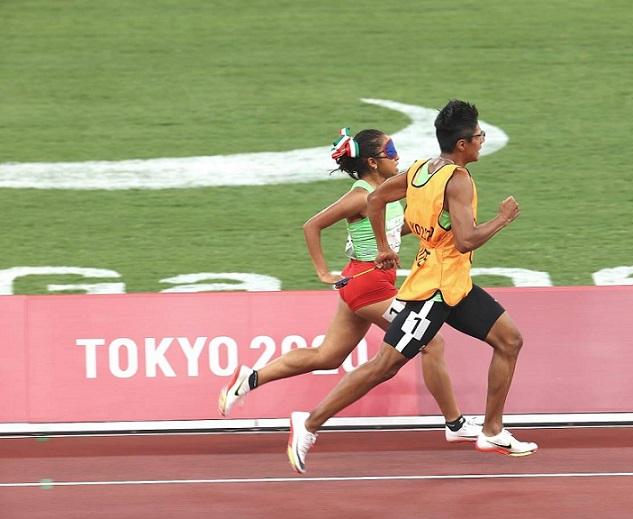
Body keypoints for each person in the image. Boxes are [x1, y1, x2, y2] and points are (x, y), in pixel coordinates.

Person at [288, 100, 537, 474]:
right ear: (463, 145)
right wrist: (502, 219)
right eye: (479, 136)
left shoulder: (421, 168)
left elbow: (375, 200)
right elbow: (467, 240)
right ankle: (308, 424)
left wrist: (386, 248)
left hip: (455, 285)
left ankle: (492, 430)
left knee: (509, 340)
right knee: (384, 366)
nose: (482, 141)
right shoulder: (458, 180)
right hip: (432, 292)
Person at [217, 127, 481, 446]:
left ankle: (251, 378)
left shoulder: (384, 192)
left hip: (364, 281)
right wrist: (323, 273)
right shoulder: (361, 195)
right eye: (391, 151)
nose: (398, 157)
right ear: (372, 162)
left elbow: (398, 227)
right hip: (368, 286)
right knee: (431, 341)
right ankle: (454, 422)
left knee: (328, 356)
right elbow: (312, 226)